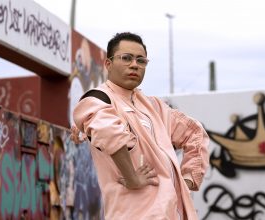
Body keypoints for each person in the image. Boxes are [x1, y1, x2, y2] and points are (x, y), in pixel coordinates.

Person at [71, 32, 209, 220]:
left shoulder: (154, 107)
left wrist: (187, 180)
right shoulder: (98, 98)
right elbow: (109, 132)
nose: (134, 65)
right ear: (108, 64)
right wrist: (132, 178)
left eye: (141, 60)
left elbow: (195, 132)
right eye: (126, 58)